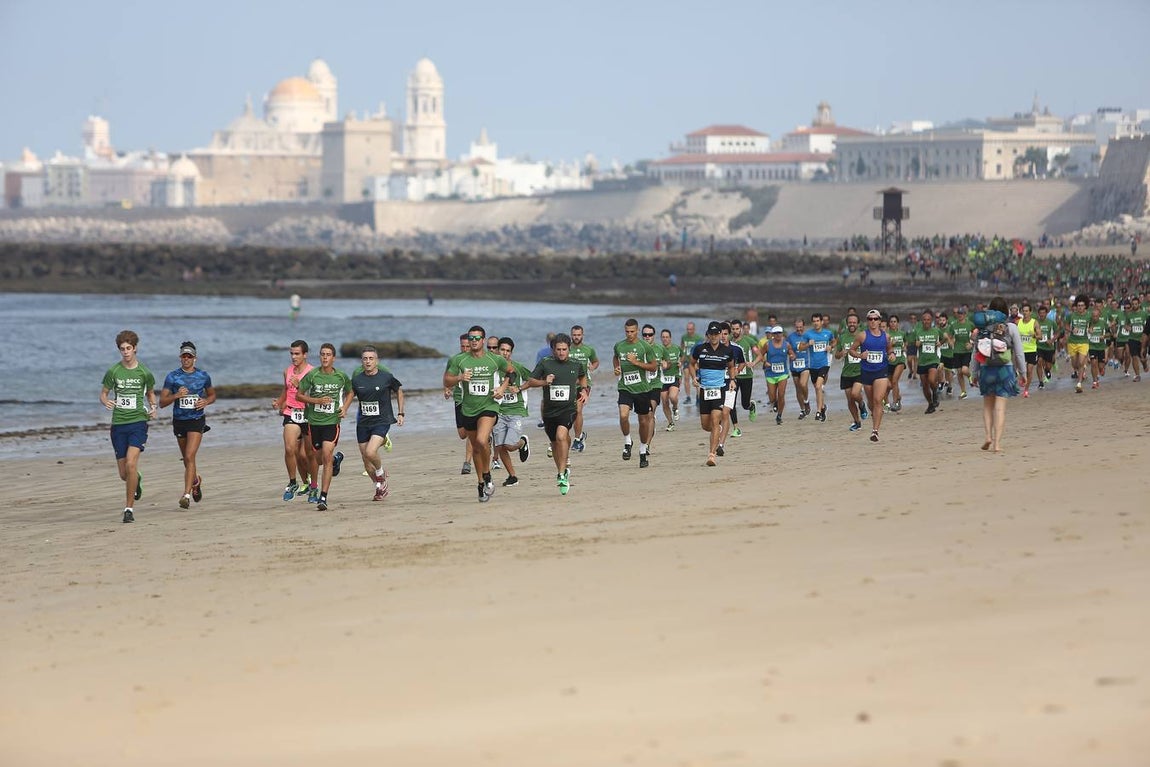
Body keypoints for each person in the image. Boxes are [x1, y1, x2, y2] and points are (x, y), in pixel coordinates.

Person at [443, 326, 514, 502]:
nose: (474, 341)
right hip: (468, 408)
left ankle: (487, 474)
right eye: (471, 338)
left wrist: (502, 388)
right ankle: (482, 481)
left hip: (489, 406)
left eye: (477, 338)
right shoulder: (458, 360)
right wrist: (459, 378)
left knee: (483, 441)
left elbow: (511, 372)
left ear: (483, 340)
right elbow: (446, 379)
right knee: (476, 447)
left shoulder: (494, 359)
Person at [100, 330, 157, 524]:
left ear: (135, 348)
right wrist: (105, 401)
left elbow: (150, 393)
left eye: (128, 348)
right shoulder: (113, 371)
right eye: (122, 349)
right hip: (118, 425)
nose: (125, 352)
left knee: (131, 464)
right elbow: (104, 393)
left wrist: (154, 407)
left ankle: (128, 509)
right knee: (125, 474)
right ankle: (136, 479)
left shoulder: (144, 372)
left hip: (138, 423)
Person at [524, 333, 589, 495]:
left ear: (569, 349)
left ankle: (562, 473)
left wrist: (584, 391)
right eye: (558, 349)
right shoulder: (545, 363)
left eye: (564, 349)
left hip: (568, 408)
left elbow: (583, 377)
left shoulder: (576, 364)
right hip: (549, 411)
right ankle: (562, 469)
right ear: (552, 350)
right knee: (555, 443)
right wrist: (544, 382)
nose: (561, 352)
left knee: (561, 436)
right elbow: (531, 381)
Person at [296, 343, 353, 511]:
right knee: (317, 459)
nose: (325, 357)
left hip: (332, 422)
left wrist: (345, 408)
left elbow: (350, 392)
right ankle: (336, 460)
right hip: (314, 423)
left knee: (326, 455)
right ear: (320, 357)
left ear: (333, 358)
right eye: (322, 354)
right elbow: (299, 395)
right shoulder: (312, 375)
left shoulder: (341, 377)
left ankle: (323, 496)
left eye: (328, 354)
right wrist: (316, 401)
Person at [159, 341, 216, 509]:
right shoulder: (172, 377)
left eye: (189, 356)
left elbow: (212, 395)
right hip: (179, 421)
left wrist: (205, 401)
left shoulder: (203, 376)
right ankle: (196, 480)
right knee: (186, 459)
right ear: (180, 357)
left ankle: (186, 495)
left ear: (195, 358)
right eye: (184, 356)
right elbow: (162, 402)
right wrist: (176, 395)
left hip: (196, 420)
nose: (186, 359)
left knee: (190, 456)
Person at [970, 297, 1026, 453]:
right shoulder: (1011, 327)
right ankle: (997, 444)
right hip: (1005, 369)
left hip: (986, 369)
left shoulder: (983, 328)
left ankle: (987, 436)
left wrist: (974, 373)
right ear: (1006, 311)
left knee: (987, 406)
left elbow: (976, 351)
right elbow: (1019, 353)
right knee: (1000, 408)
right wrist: (1023, 373)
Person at [350, 345, 404, 502]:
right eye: (365, 358)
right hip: (363, 422)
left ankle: (380, 473)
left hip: (382, 420)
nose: (368, 361)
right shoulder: (357, 379)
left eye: (371, 358)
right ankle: (379, 488)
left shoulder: (386, 377)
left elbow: (399, 390)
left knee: (370, 452)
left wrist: (401, 413)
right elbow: (349, 395)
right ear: (362, 361)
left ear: (377, 361)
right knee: (366, 462)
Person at [273, 340, 319, 502]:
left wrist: (301, 385)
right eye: (292, 353)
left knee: (309, 455)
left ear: (305, 354)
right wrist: (279, 402)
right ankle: (293, 482)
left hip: (308, 414)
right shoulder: (287, 371)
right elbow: (286, 390)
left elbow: (316, 396)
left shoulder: (313, 372)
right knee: (289, 448)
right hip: (291, 413)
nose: (294, 357)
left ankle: (313, 487)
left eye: (297, 353)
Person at [613, 318, 659, 468]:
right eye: (627, 332)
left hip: (642, 389)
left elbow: (653, 367)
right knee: (623, 415)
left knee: (643, 422)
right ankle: (627, 441)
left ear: (637, 331)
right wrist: (617, 368)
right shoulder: (619, 346)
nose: (629, 334)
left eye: (632, 332)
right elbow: (615, 358)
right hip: (625, 387)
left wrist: (636, 363)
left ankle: (643, 449)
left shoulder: (644, 346)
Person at [690, 321, 736, 466]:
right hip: (704, 390)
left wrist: (733, 379)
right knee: (705, 425)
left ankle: (711, 455)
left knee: (716, 419)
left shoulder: (727, 350)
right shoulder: (700, 349)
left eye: (717, 334)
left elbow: (731, 366)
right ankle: (718, 430)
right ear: (708, 335)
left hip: (719, 389)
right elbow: (691, 364)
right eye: (712, 334)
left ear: (720, 334)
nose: (715, 336)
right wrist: (694, 377)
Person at [846, 310, 893, 442]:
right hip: (867, 373)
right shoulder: (862, 336)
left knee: (878, 400)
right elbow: (851, 350)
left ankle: (875, 431)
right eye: (870, 319)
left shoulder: (886, 336)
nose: (872, 321)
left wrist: (892, 354)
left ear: (879, 321)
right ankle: (875, 413)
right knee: (872, 402)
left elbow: (890, 349)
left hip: (881, 372)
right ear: (867, 321)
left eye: (875, 319)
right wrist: (861, 355)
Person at [493, 337, 532, 487]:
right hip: (498, 411)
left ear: (511, 353)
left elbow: (533, 379)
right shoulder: (493, 368)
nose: (505, 353)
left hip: (516, 410)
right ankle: (512, 476)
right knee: (501, 445)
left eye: (508, 351)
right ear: (497, 350)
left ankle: (522, 442)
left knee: (509, 445)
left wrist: (520, 388)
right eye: (502, 350)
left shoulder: (518, 367)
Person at [444, 333, 475, 475]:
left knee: (470, 431)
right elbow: (447, 378)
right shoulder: (455, 359)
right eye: (462, 346)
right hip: (459, 398)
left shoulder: (479, 359)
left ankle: (467, 462)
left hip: (475, 399)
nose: (465, 349)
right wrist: (447, 389)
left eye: (467, 346)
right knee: (462, 434)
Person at [568, 324, 599, 450]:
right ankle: (580, 435)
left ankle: (576, 440)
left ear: (582, 335)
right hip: (569, 385)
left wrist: (592, 367)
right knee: (571, 412)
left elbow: (596, 361)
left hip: (584, 385)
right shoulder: (566, 349)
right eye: (574, 335)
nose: (576, 337)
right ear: (571, 335)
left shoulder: (588, 350)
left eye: (578, 335)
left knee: (578, 410)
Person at [802, 313, 835, 421]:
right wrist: (808, 345)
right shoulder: (808, 334)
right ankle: (823, 407)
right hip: (813, 366)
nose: (816, 323)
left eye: (818, 321)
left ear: (822, 322)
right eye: (814, 321)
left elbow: (834, 341)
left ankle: (818, 412)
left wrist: (831, 346)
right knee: (818, 390)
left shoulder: (828, 333)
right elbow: (800, 347)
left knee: (818, 387)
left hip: (824, 364)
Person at [759, 326, 789, 425]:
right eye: (775, 333)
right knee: (772, 397)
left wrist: (793, 356)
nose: (778, 335)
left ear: (782, 333)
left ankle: (779, 415)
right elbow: (760, 355)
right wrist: (764, 361)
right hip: (770, 373)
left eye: (779, 333)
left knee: (781, 394)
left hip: (783, 374)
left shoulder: (786, 345)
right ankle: (775, 403)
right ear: (772, 335)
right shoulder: (767, 345)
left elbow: (792, 354)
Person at [786, 318, 811, 418]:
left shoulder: (808, 336)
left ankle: (806, 401)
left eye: (801, 327)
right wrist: (790, 354)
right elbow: (787, 348)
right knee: (798, 389)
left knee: (803, 384)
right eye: (797, 328)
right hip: (794, 365)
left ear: (804, 327)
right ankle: (802, 410)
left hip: (805, 365)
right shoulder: (790, 337)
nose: (799, 329)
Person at [658, 328, 682, 430]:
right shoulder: (658, 349)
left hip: (674, 377)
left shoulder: (676, 348)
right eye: (663, 337)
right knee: (664, 401)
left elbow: (683, 357)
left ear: (670, 338)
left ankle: (675, 407)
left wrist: (681, 362)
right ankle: (670, 422)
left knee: (672, 397)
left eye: (667, 337)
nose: (665, 339)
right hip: (663, 379)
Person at [679, 322, 702, 404]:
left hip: (695, 361)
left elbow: (701, 350)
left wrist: (698, 363)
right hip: (686, 360)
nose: (689, 331)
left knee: (696, 379)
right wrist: (681, 359)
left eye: (690, 329)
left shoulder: (699, 338)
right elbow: (682, 347)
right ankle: (688, 397)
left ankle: (698, 396)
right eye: (687, 329)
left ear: (694, 329)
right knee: (686, 378)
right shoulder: (684, 337)